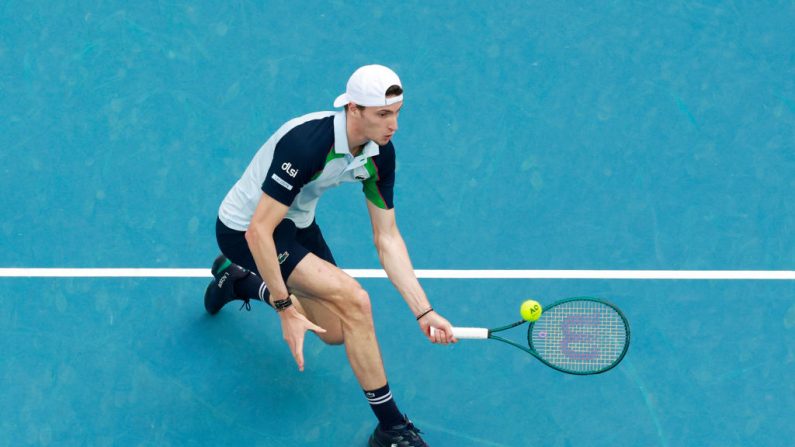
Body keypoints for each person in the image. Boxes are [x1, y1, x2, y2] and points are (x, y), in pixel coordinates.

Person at [204, 64, 457, 447]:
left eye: (398, 113)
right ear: (354, 109)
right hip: (245, 229)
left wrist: (423, 310)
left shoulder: (379, 155)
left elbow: (387, 238)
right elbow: (259, 231)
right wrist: (286, 307)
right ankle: (391, 428)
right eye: (383, 114)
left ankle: (239, 282)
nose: (394, 126)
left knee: (336, 332)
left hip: (297, 222)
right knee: (354, 301)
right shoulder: (307, 144)